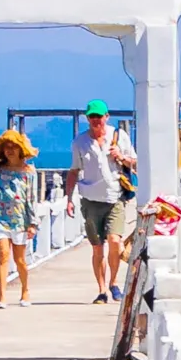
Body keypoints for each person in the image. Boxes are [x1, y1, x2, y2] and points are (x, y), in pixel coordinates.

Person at [71, 102, 137, 302]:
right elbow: (74, 170)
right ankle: (101, 290)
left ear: (107, 116)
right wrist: (68, 199)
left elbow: (135, 162)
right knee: (97, 247)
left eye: (99, 116)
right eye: (92, 117)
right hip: (90, 200)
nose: (96, 120)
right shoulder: (79, 142)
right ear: (87, 118)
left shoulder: (119, 136)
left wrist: (121, 157)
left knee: (115, 242)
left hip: (115, 197)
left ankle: (114, 282)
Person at [0, 128, 40, 305]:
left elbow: (31, 198)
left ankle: (25, 291)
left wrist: (33, 223)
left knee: (20, 259)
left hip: (20, 221)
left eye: (13, 146)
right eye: (6, 147)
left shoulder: (28, 171)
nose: (10, 150)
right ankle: (2, 296)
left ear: (20, 148)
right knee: (3, 255)